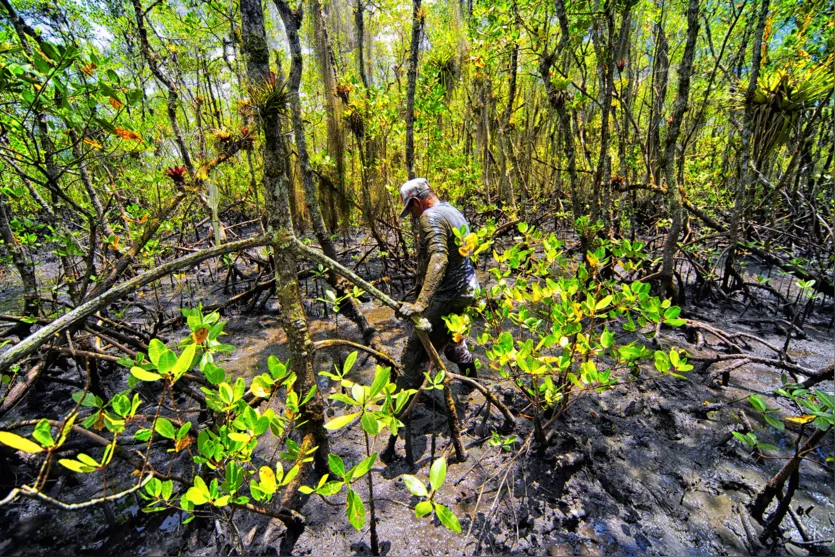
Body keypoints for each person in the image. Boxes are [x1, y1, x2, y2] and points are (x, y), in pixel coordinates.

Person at [396, 177, 479, 390]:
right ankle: (472, 386)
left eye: (411, 210)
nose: (413, 216)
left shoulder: (429, 216)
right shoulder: (452, 211)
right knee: (454, 344)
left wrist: (420, 304)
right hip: (468, 290)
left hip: (450, 294)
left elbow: (439, 258)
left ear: (416, 202)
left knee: (414, 351)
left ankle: (399, 409)